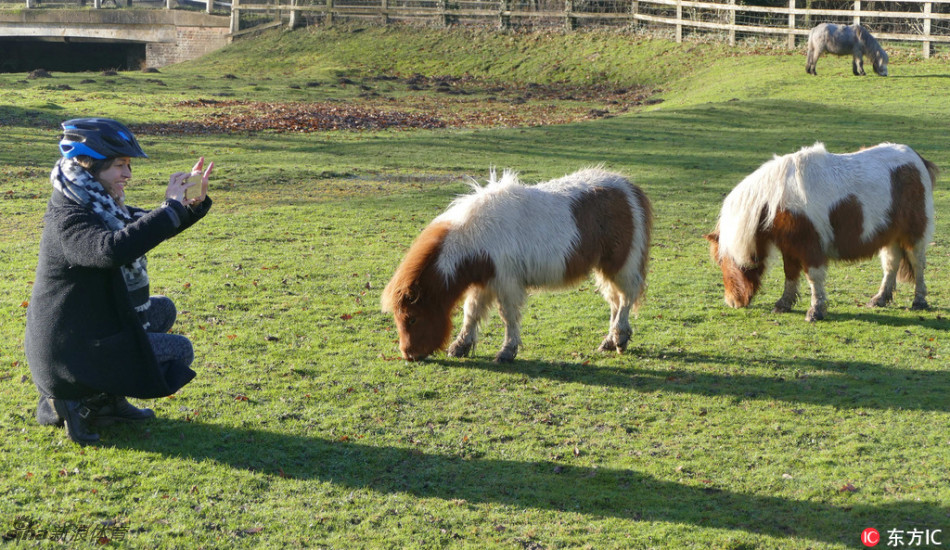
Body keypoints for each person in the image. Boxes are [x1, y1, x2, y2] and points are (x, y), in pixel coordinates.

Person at [24, 117, 214, 444]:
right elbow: (111, 249)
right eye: (119, 165)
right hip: (66, 351)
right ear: (90, 167)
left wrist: (186, 206)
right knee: (180, 351)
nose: (127, 174)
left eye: (128, 165)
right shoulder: (69, 215)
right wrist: (169, 209)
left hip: (83, 329)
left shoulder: (94, 203)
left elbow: (136, 227)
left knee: (161, 311)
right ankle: (73, 401)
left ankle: (104, 398)